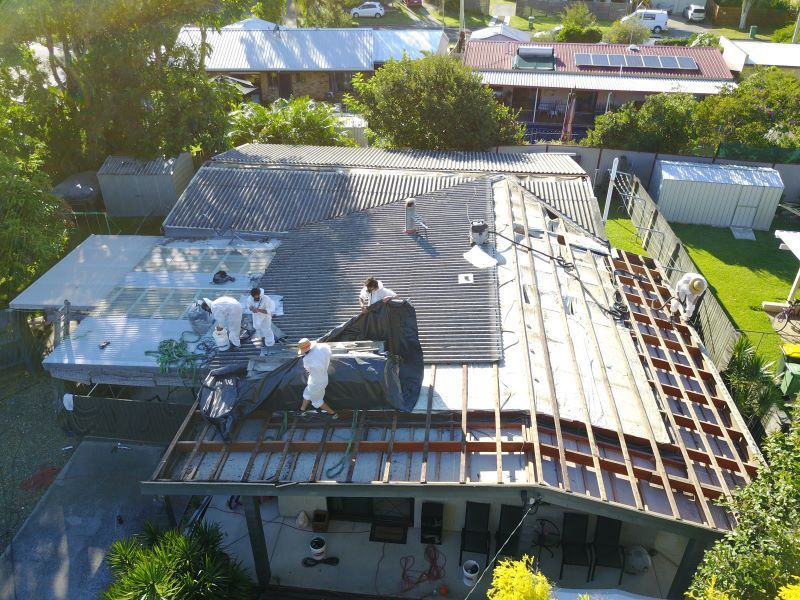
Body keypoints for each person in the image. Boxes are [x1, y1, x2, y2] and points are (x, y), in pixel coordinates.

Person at [297, 338, 338, 419]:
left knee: (317, 402)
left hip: (316, 382)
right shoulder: (323, 347)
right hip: (323, 377)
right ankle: (302, 410)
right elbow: (329, 353)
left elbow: (308, 370)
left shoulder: (307, 359)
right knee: (307, 393)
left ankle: (333, 414)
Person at [248, 287, 276, 355]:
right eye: (254, 297)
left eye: (257, 297)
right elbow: (249, 305)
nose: (255, 299)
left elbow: (269, 311)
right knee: (258, 328)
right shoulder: (250, 299)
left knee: (267, 330)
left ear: (260, 295)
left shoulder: (266, 299)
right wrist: (252, 309)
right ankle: (263, 340)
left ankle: (270, 344)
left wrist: (258, 310)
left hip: (265, 317)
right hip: (256, 317)